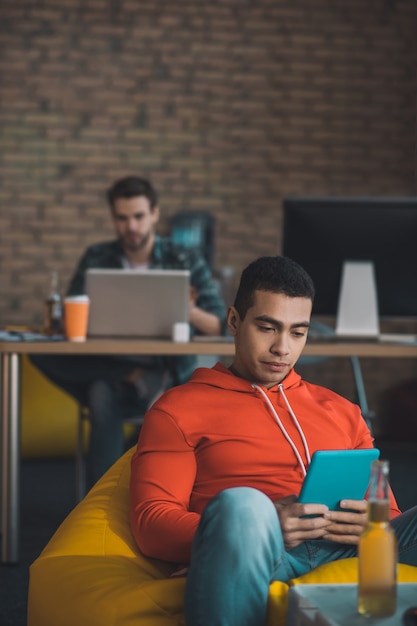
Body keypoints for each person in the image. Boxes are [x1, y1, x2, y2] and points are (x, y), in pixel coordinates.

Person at [129, 255, 417, 626]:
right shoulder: (179, 408)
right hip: (262, 552)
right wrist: (261, 525)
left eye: (298, 332)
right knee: (245, 504)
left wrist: (370, 524)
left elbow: (391, 515)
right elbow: (151, 524)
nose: (283, 347)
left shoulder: (343, 410)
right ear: (234, 321)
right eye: (268, 328)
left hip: (349, 550)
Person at [30, 176, 226, 490]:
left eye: (138, 216)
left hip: (166, 369)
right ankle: (130, 375)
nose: (130, 226)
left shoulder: (184, 258)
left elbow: (222, 325)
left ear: (155, 214)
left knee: (100, 394)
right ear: (113, 218)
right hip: (107, 360)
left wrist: (186, 309)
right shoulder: (97, 256)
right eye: (122, 218)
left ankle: (102, 497)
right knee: (37, 353)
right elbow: (74, 318)